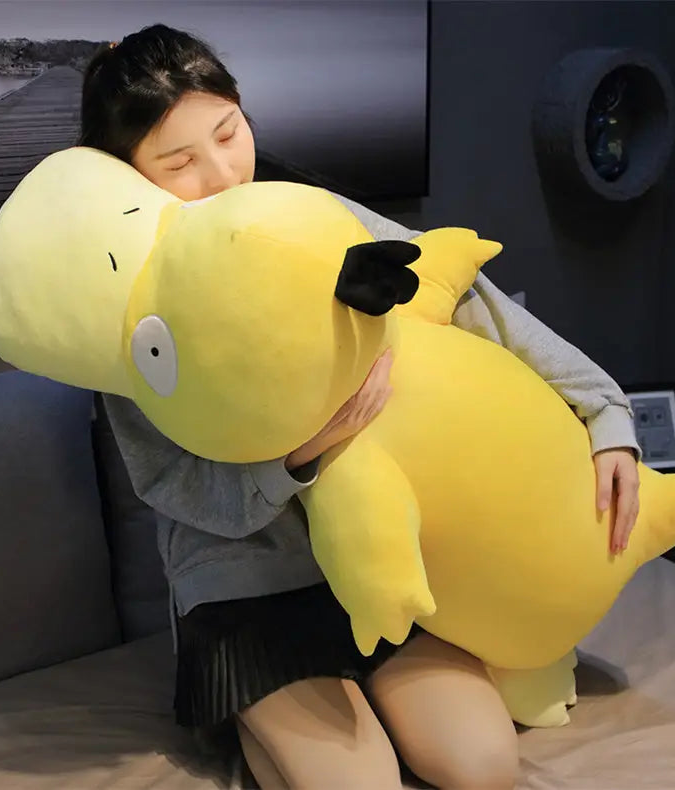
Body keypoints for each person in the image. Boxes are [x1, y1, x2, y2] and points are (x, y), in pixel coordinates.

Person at [79, 24, 641, 790]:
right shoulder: (130, 303)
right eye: (179, 163)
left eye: (229, 133)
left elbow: (460, 293)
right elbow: (170, 484)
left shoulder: (306, 213)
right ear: (128, 173)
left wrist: (605, 412)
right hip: (247, 585)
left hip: (374, 566)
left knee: (481, 765)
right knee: (358, 783)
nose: (222, 174)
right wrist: (301, 456)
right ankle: (251, 721)